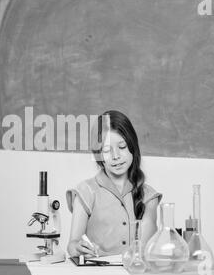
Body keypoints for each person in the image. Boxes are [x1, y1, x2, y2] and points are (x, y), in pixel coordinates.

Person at [66, 110, 162, 258]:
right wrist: (78, 248)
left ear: (133, 147)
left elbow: (144, 247)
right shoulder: (86, 191)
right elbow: (72, 245)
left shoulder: (149, 196)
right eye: (106, 150)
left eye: (122, 147)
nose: (116, 156)